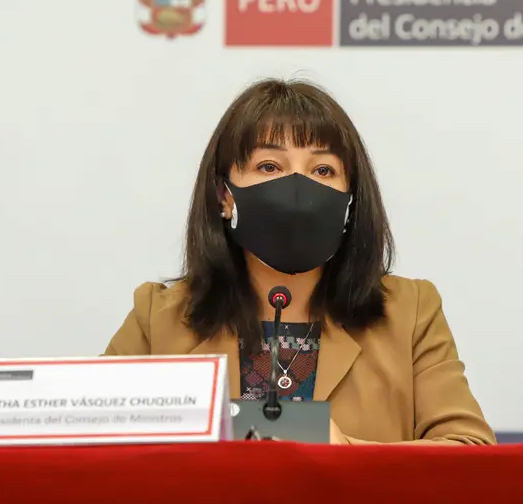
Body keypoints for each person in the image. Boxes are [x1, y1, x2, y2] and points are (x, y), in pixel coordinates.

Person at [103, 78, 495, 446]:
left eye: (322, 170)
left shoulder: (410, 312)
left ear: (350, 200)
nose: (297, 188)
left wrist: (346, 452)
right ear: (224, 196)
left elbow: (470, 452)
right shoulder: (158, 318)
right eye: (269, 167)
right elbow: (86, 446)